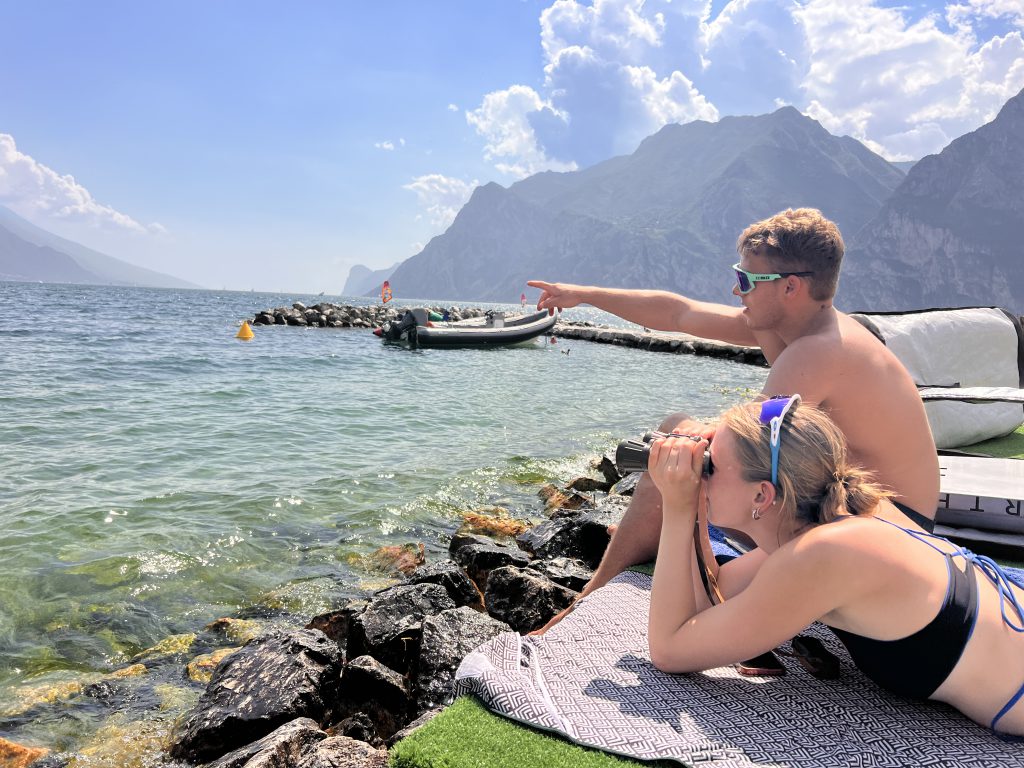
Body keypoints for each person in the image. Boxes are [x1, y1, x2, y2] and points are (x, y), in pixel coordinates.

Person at [527, 208, 940, 632]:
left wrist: (689, 445)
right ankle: (651, 541)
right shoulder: (789, 327)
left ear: (790, 287)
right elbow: (678, 314)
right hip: (833, 501)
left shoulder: (820, 349)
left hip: (887, 525)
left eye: (745, 280)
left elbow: (740, 444)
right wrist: (582, 294)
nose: (735, 289)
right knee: (679, 441)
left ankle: (588, 599)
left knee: (682, 455)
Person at [644, 396, 1024, 737]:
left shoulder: (823, 553)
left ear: (762, 494)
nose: (700, 474)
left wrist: (676, 507)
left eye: (710, 466)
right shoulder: (841, 514)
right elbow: (716, 595)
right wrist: (692, 505)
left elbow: (670, 650)